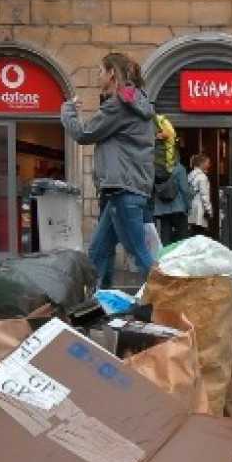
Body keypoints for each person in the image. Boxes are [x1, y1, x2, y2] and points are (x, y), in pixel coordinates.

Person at [62, 53, 156, 288]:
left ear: (112, 73)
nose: (98, 76)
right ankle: (98, 304)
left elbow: (84, 134)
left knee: (139, 254)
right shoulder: (135, 101)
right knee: (98, 251)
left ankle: (170, 300)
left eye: (101, 71)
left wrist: (68, 111)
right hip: (126, 190)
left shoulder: (119, 105)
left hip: (123, 190)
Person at [153, 150, 191, 245]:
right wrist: (188, 206)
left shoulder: (156, 170)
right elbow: (185, 190)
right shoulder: (179, 168)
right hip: (178, 208)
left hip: (162, 209)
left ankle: (166, 258)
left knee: (165, 237)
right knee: (182, 238)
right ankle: (180, 258)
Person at [187, 153, 215, 236]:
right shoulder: (202, 177)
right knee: (200, 233)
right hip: (200, 208)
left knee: (193, 232)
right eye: (207, 163)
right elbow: (204, 195)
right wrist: (209, 210)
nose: (209, 165)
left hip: (191, 207)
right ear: (201, 163)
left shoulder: (190, 175)